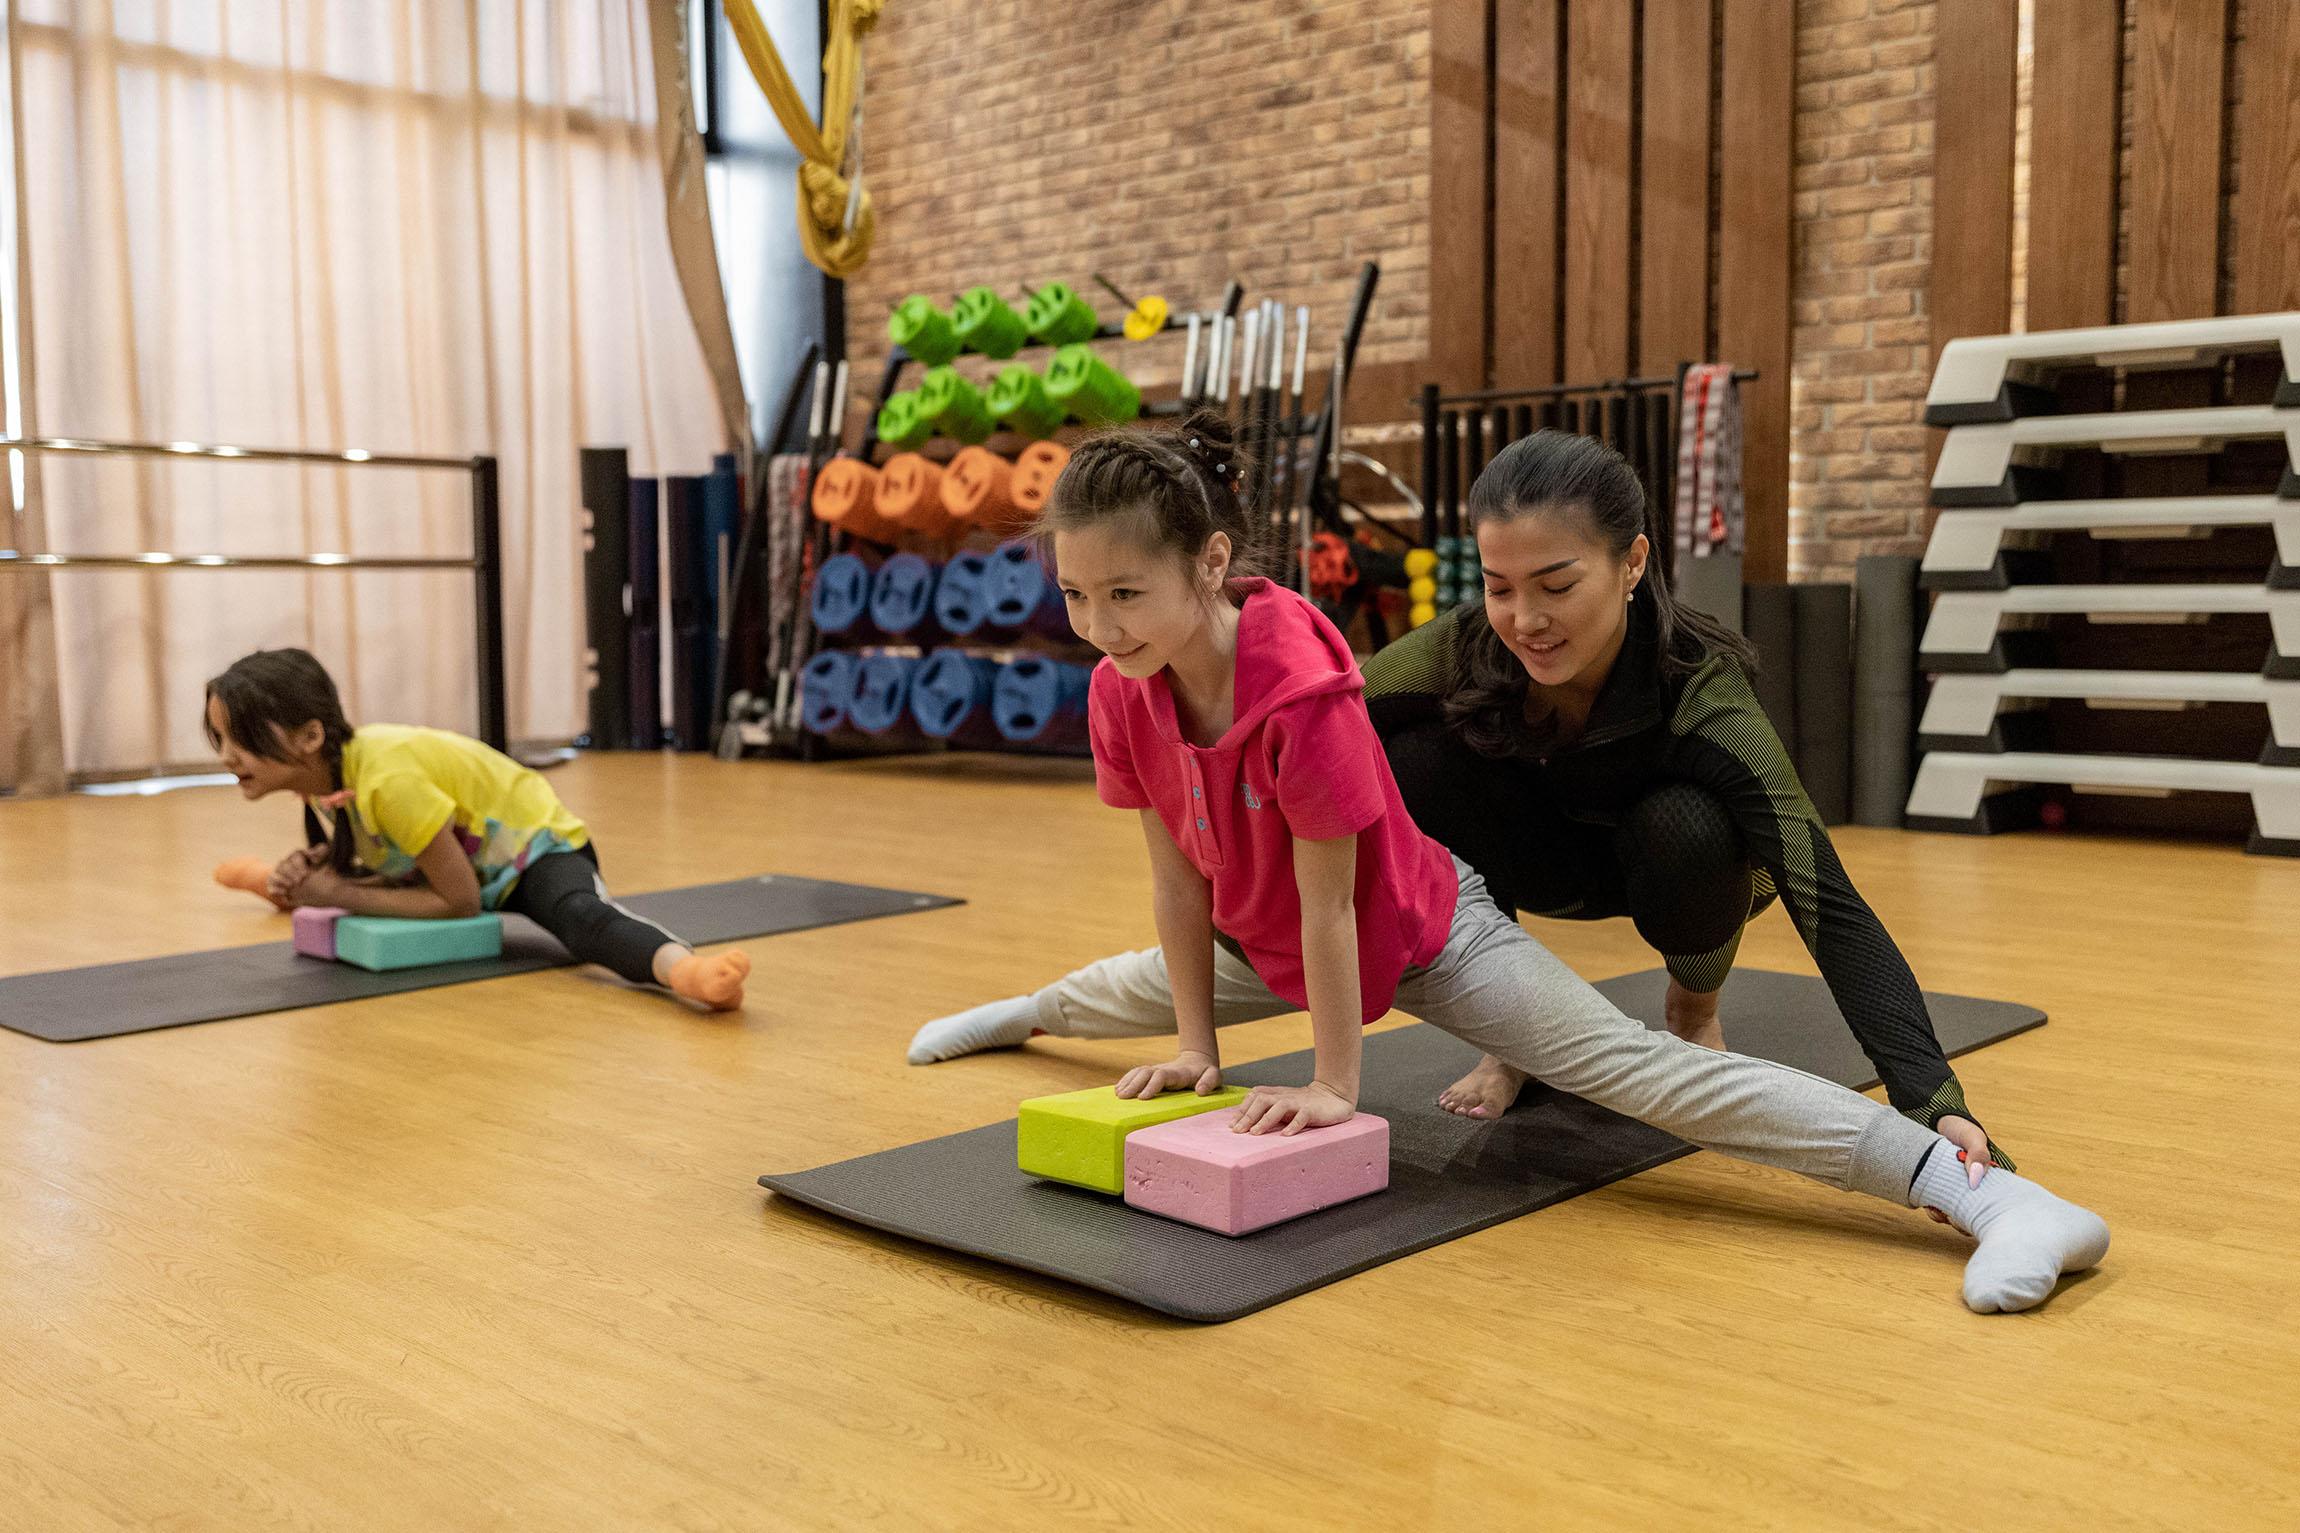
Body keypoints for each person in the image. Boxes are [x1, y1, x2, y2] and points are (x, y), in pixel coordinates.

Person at [903, 412, 2106, 1313]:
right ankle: (1019, 1012)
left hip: (1429, 930)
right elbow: (1178, 882)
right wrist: (1196, 1054)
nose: (1102, 623)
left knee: (1642, 1074)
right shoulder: (1132, 684)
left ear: (1208, 565)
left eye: (1125, 593)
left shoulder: (1313, 683)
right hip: (1294, 927)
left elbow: (1338, 898)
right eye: (1076, 595)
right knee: (1130, 986)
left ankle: (1985, 1197)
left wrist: (1333, 1084)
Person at [1363, 432, 2001, 1176]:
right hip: (1537, 858)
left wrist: (1932, 1098)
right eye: (1500, 586)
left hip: (1685, 870)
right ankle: (1512, 1037)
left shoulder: (1701, 686)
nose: (1524, 619)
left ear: (1632, 562)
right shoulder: (1466, 646)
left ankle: (1694, 1010)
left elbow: (1824, 894)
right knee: (1411, 762)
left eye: (1556, 585)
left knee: (1688, 823)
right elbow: (1315, 727)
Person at [205, 647, 748, 1011]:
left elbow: (460, 901)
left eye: (243, 737)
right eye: (220, 738)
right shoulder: (327, 778)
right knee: (331, 882)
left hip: (531, 852)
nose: (228, 757)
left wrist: (335, 889)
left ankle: (686, 971)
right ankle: (265, 879)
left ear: (310, 737)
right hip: (462, 866)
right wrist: (318, 870)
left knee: (582, 921)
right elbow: (375, 855)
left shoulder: (387, 779)